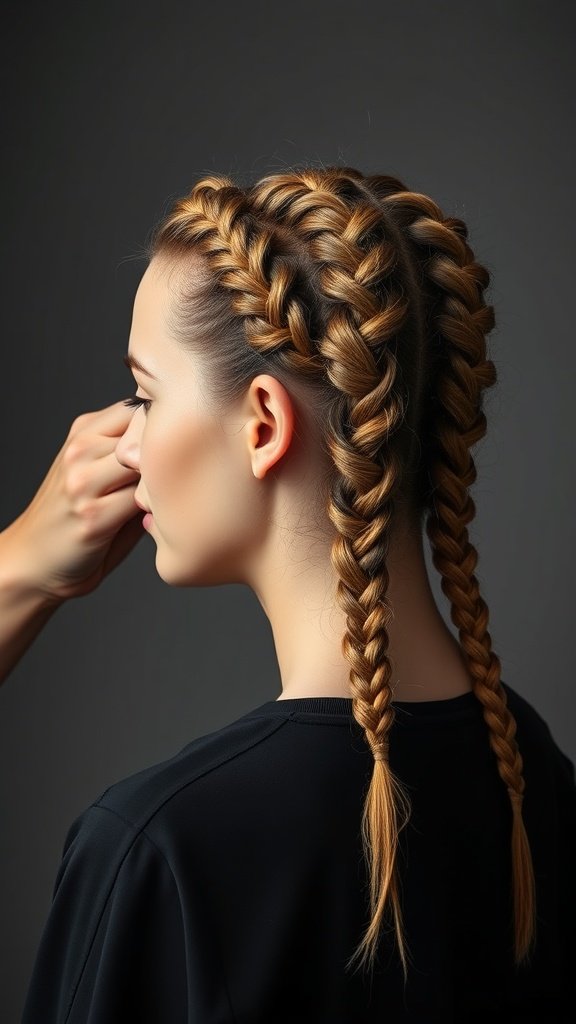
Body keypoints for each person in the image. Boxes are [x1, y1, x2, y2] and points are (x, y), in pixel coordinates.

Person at [2, 165, 574, 1022]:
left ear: (263, 424)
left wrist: (11, 569)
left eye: (146, 396)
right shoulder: (535, 780)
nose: (122, 445)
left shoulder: (159, 851)